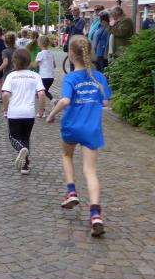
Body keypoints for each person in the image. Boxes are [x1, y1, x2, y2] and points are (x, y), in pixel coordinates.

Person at [47, 35, 111, 237]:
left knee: (67, 155)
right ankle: (96, 214)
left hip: (72, 126)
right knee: (90, 171)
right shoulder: (99, 77)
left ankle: (71, 191)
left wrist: (51, 114)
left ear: (71, 55)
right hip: (91, 128)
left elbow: (65, 100)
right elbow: (106, 102)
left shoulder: (70, 78)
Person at [2, 49, 46, 175]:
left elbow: (5, 95)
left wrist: (5, 109)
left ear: (14, 61)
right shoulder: (35, 76)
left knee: (13, 137)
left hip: (14, 112)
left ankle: (21, 149)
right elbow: (42, 94)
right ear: (29, 61)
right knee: (26, 137)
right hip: (29, 113)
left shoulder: (11, 76)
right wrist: (41, 110)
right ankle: (25, 166)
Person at [35, 35, 56, 108]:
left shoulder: (40, 54)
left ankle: (42, 110)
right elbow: (54, 65)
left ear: (40, 43)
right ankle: (53, 101)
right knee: (44, 91)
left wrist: (28, 63)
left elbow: (35, 65)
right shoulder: (51, 53)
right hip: (51, 77)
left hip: (43, 77)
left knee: (42, 92)